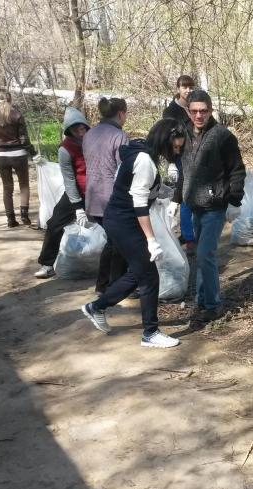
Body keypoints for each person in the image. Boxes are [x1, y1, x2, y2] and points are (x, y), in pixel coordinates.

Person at [80, 118, 185, 348]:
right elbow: (138, 203)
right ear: (165, 141)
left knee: (140, 272)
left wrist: (164, 193)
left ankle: (97, 307)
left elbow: (141, 189)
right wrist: (151, 240)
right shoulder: (145, 160)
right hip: (125, 222)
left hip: (120, 219)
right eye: (175, 147)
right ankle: (150, 332)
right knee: (149, 276)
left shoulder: (143, 153)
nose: (177, 151)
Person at [179, 89, 246, 321]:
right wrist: (176, 198)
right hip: (193, 204)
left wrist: (235, 201)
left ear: (211, 110)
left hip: (215, 206)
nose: (199, 115)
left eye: (204, 111)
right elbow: (182, 169)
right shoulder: (184, 133)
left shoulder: (222, 136)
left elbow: (237, 170)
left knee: (205, 254)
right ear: (188, 112)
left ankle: (213, 304)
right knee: (201, 256)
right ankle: (201, 300)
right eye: (194, 111)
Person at [33, 107, 90, 278]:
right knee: (54, 224)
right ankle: (47, 264)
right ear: (69, 131)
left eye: (82, 128)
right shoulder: (65, 149)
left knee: (113, 226)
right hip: (77, 192)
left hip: (99, 191)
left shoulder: (95, 139)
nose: (80, 132)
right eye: (75, 129)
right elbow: (69, 179)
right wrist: (78, 206)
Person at [84, 97, 130, 295]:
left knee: (115, 241)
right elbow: (124, 169)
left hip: (93, 197)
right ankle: (108, 285)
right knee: (117, 242)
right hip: (112, 199)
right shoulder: (119, 136)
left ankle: (108, 285)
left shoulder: (89, 134)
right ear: (121, 113)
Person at [0, 90, 38, 227]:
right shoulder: (17, 115)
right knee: (24, 185)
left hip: (1, 156)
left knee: (7, 187)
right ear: (10, 99)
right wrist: (33, 153)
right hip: (19, 155)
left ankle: (10, 220)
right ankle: (24, 216)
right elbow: (24, 138)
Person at [162, 75, 196, 253]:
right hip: (181, 155)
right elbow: (167, 137)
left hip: (198, 154)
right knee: (185, 193)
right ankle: (189, 238)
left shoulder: (195, 106)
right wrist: (171, 162)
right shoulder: (171, 111)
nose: (188, 90)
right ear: (178, 88)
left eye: (191, 87)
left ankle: (192, 233)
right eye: (184, 87)